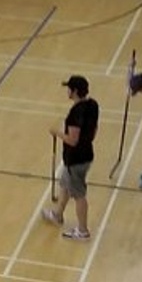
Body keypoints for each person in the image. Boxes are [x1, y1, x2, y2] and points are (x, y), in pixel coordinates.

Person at [42, 76, 100, 241]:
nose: (67, 90)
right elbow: (94, 130)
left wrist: (58, 132)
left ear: (74, 91)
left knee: (78, 194)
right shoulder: (93, 105)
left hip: (76, 159)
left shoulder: (76, 113)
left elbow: (73, 140)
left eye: (69, 88)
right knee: (65, 184)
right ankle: (58, 215)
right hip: (86, 153)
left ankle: (83, 230)